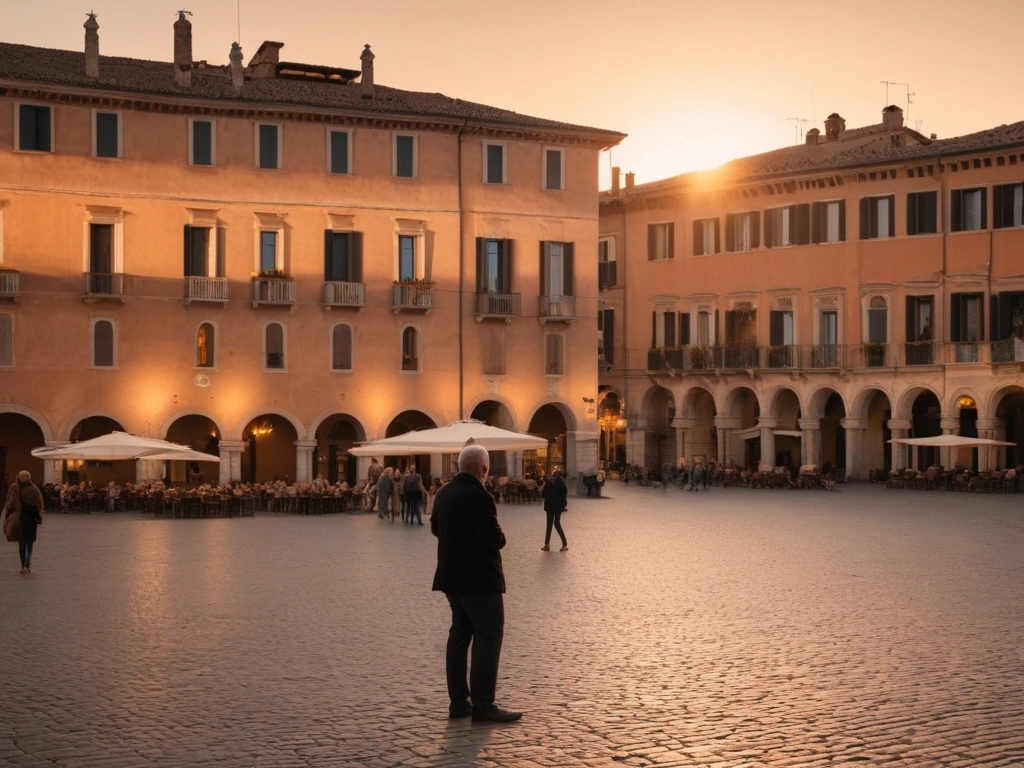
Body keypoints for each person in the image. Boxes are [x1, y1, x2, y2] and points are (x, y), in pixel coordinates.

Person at [431, 444, 521, 723]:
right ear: (483, 468)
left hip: (451, 576)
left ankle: (459, 701)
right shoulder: (480, 496)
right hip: (479, 579)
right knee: (489, 635)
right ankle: (483, 703)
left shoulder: (444, 492)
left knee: (460, 634)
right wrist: (500, 536)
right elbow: (493, 539)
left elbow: (435, 528)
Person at [3, 470, 44, 574]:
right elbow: (39, 503)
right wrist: (39, 515)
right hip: (31, 519)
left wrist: (7, 509)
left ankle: (23, 566)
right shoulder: (34, 488)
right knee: (29, 543)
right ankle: (27, 565)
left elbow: (10, 502)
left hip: (21, 518)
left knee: (23, 543)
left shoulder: (16, 487)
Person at [539, 469, 568, 552]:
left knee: (549, 524)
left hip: (549, 505)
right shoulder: (562, 483)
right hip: (558, 506)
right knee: (557, 523)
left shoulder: (549, 482)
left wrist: (548, 498)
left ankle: (547, 544)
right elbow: (565, 494)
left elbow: (543, 493)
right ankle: (564, 544)